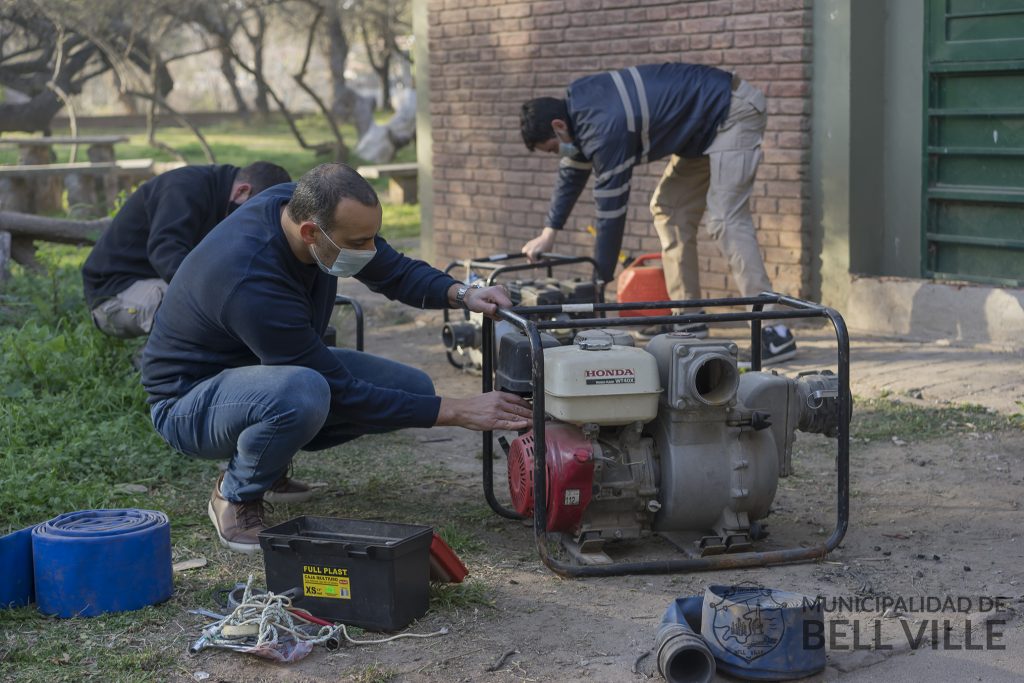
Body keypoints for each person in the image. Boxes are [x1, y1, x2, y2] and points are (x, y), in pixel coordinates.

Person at [141, 163, 533, 554]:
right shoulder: (250, 278)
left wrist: (463, 293)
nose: (369, 251)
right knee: (305, 391)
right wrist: (459, 410)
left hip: (258, 371)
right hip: (187, 403)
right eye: (359, 242)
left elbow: (392, 269)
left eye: (372, 237)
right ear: (310, 232)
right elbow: (340, 391)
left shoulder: (301, 208)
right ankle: (235, 495)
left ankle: (267, 461)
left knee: (412, 388)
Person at [519, 62, 797, 363]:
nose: (556, 154)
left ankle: (774, 330)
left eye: (552, 149)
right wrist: (548, 233)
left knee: (725, 219)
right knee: (669, 209)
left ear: (558, 126)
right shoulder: (581, 111)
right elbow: (572, 173)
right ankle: (688, 317)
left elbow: (611, 212)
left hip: (732, 113)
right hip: (701, 131)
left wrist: (600, 281)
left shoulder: (605, 128)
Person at [82, 161, 291, 339]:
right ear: (242, 191)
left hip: (156, 282)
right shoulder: (184, 188)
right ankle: (154, 363)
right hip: (114, 294)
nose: (255, 227)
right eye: (254, 217)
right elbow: (166, 254)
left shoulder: (226, 200)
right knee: (201, 308)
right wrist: (221, 297)